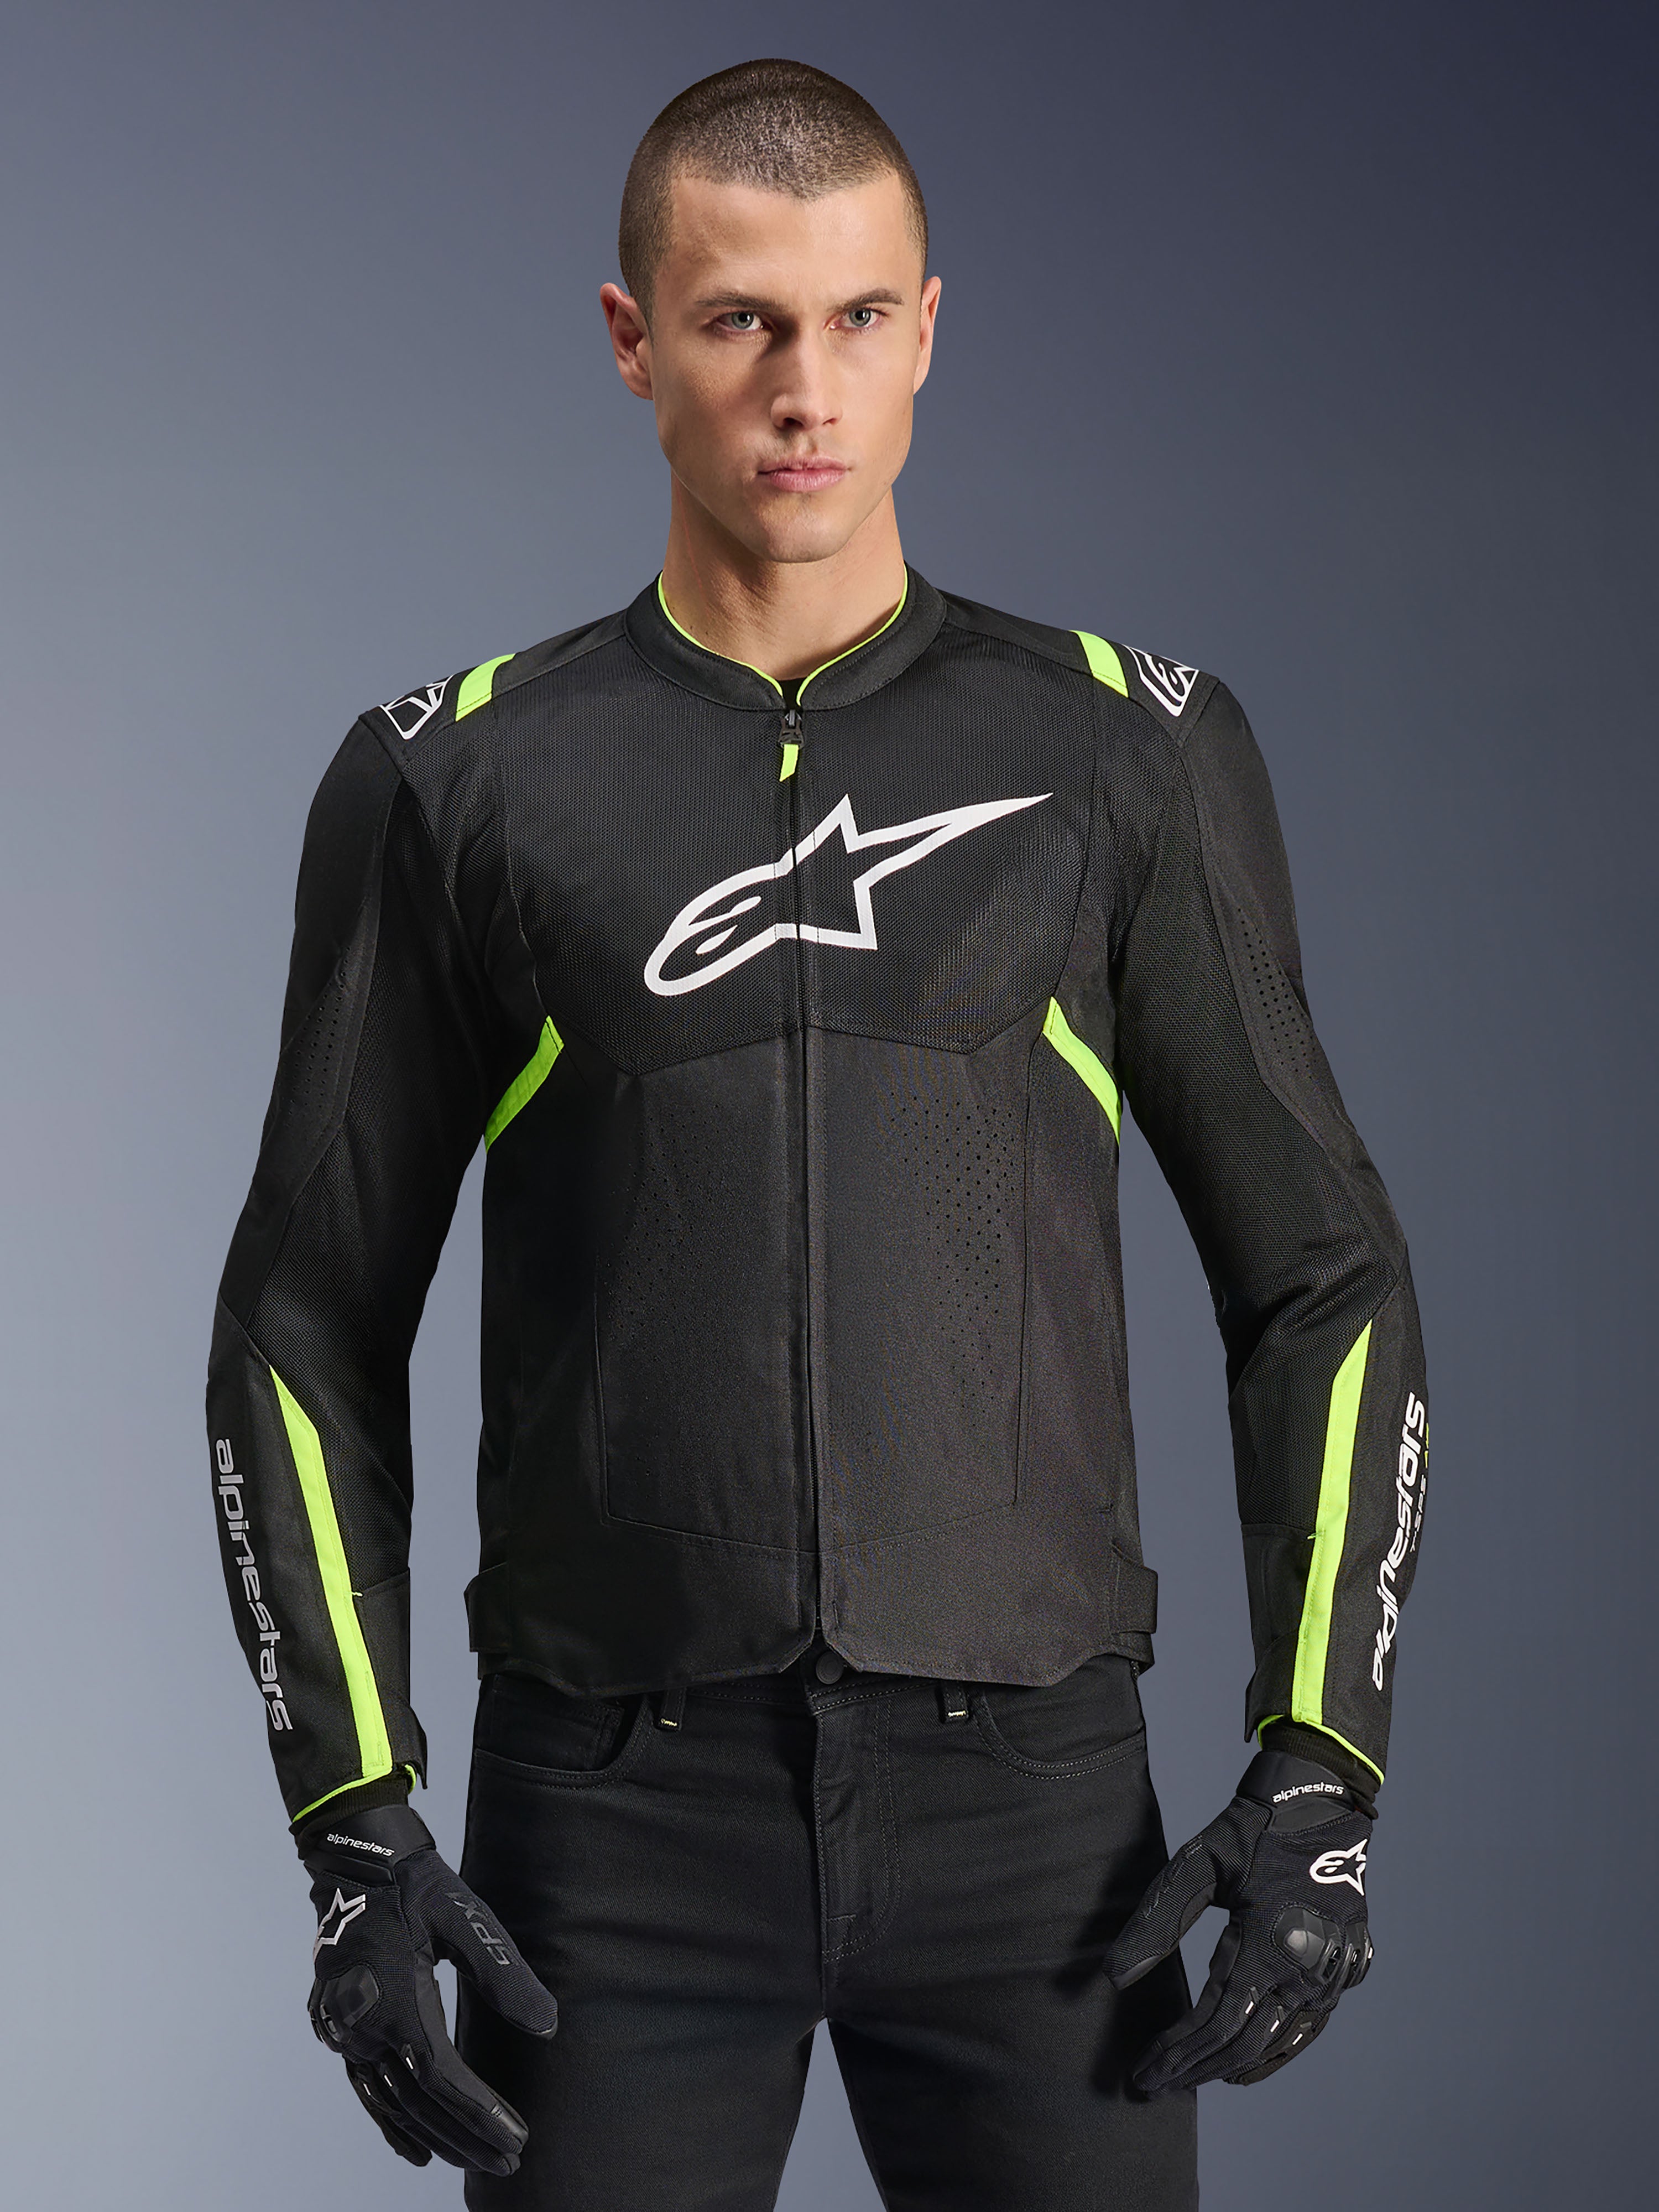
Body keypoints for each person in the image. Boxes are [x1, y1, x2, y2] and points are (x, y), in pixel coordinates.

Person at [207, 58, 1426, 2212]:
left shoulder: (1123, 755)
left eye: (859, 318)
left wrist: (1324, 1762)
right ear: (632, 340)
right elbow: (299, 1325)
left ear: (930, 330)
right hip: (612, 1833)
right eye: (740, 321)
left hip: (1038, 1828)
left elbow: (1323, 1275)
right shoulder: (455, 784)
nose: (805, 388)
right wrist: (352, 1815)